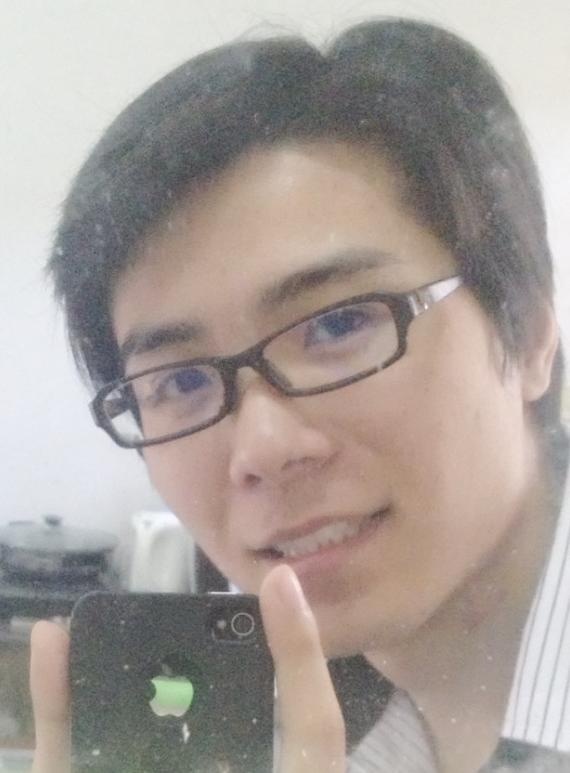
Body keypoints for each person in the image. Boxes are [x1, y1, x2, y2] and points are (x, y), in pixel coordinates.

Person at [30, 17, 569, 773]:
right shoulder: (249, 727)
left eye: (338, 324)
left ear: (532, 331)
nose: (263, 450)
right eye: (180, 381)